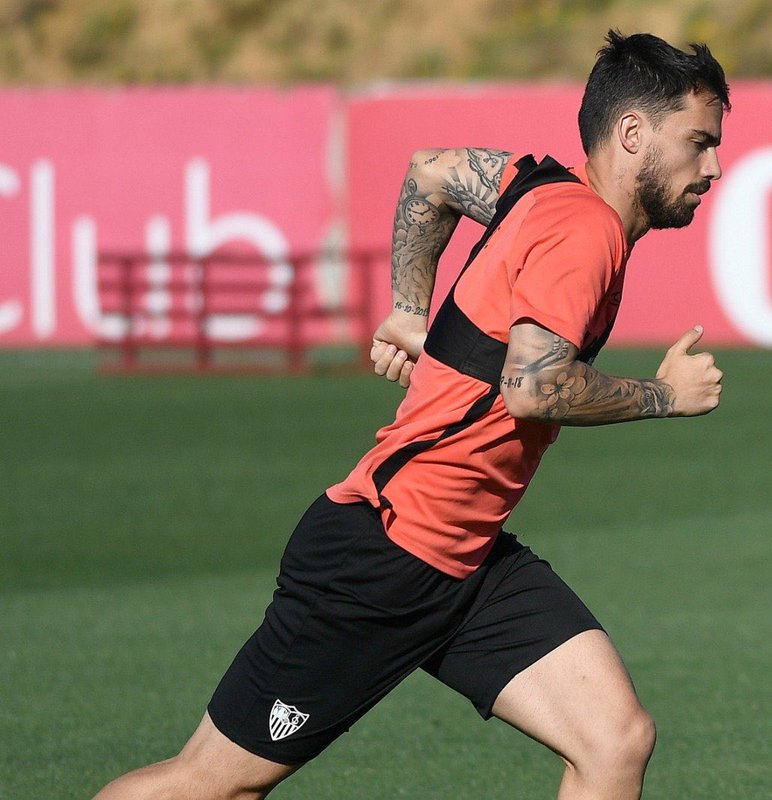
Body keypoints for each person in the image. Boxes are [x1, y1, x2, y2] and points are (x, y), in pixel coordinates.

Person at [94, 29, 729, 800]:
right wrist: (667, 396)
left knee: (614, 740)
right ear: (632, 133)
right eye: (698, 143)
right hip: (383, 557)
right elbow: (533, 387)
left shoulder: (538, 187)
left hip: (466, 558)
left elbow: (431, 173)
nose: (713, 167)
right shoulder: (585, 229)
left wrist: (407, 308)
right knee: (212, 784)